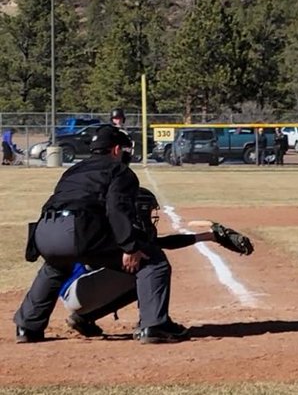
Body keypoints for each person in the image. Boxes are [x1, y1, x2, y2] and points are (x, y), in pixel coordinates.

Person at [14, 125, 186, 344]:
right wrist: (129, 246)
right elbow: (117, 208)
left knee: (55, 266)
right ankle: (154, 325)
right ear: (115, 150)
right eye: (125, 150)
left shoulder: (74, 170)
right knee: (153, 261)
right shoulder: (120, 171)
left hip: (45, 230)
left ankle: (27, 327)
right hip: (76, 229)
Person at [57, 187, 254, 338]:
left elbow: (159, 243)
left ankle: (84, 318)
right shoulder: (121, 232)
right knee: (151, 268)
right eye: (148, 211)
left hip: (78, 291)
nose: (151, 216)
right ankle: (154, 325)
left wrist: (209, 236)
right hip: (81, 287)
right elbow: (155, 248)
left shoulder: (121, 228)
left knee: (143, 274)